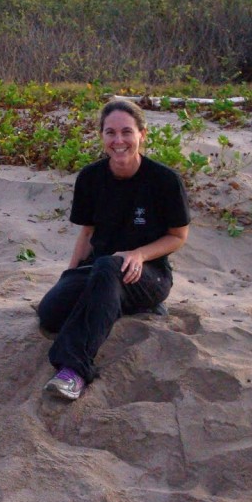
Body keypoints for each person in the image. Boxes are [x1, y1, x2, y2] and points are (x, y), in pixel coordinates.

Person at [37, 99, 190, 400]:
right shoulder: (90, 178)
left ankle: (74, 370)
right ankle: (116, 305)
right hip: (99, 269)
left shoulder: (165, 181)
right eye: (110, 133)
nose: (118, 141)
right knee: (50, 314)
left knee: (109, 265)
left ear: (142, 134)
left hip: (150, 275)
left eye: (126, 132)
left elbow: (178, 236)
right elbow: (87, 232)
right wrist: (68, 275)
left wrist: (139, 254)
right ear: (102, 136)